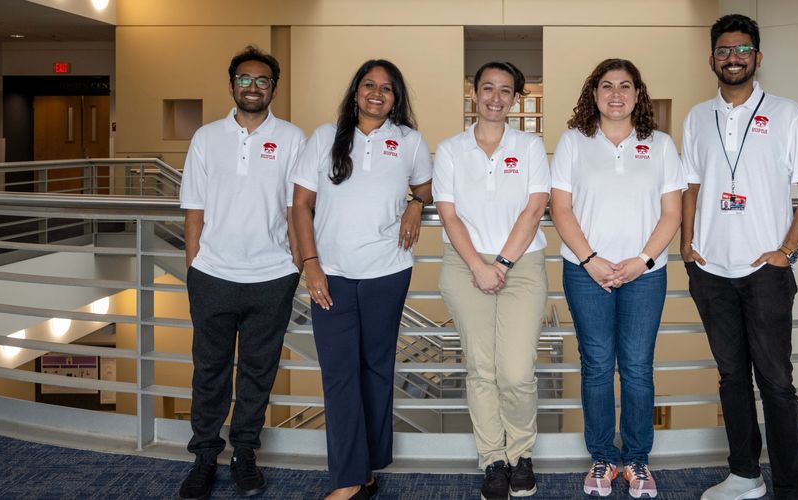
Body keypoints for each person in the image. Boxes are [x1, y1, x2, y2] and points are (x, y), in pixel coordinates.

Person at [683, 14, 798, 500]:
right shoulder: (698, 117)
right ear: (712, 60)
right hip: (711, 271)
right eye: (724, 51)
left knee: (777, 383)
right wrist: (687, 244)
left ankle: (790, 485)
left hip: (764, 271)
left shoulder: (787, 114)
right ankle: (744, 474)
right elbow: (692, 186)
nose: (733, 58)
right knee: (731, 379)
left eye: (743, 50)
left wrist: (786, 251)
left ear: (757, 58)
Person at [290, 59, 432, 500]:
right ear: (355, 92)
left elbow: (426, 190)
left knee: (375, 370)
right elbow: (299, 205)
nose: (376, 93)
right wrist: (309, 263)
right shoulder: (323, 138)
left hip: (387, 273)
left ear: (396, 98)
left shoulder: (409, 141)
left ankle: (364, 471)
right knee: (339, 374)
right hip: (330, 274)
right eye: (369, 85)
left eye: (386, 89)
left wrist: (413, 204)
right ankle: (350, 478)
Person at [549, 58, 685, 499]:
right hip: (585, 272)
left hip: (645, 274)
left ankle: (638, 461)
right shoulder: (573, 142)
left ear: (637, 94)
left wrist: (642, 260)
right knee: (597, 366)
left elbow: (672, 213)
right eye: (606, 86)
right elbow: (561, 208)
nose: (615, 94)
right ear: (594, 94)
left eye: (625, 86)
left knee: (637, 368)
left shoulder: (661, 144)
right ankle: (603, 457)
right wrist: (590, 259)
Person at [177, 45, 305, 500]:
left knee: (258, 371)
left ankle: (245, 453)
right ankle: (205, 457)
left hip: (272, 275)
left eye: (262, 81)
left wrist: (296, 264)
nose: (253, 87)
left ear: (274, 88)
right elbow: (193, 209)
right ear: (231, 85)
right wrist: (194, 268)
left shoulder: (292, 138)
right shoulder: (206, 138)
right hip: (213, 275)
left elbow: (297, 210)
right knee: (209, 370)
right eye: (245, 80)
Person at [433, 61, 550, 500]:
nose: (495, 98)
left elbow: (535, 208)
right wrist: (480, 267)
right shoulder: (449, 149)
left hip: (521, 263)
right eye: (488, 89)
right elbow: (448, 214)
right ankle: (494, 460)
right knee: (481, 369)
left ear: (515, 98)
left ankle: (521, 453)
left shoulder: (532, 146)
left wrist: (499, 264)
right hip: (465, 265)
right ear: (474, 93)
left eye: (505, 90)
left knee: (516, 372)